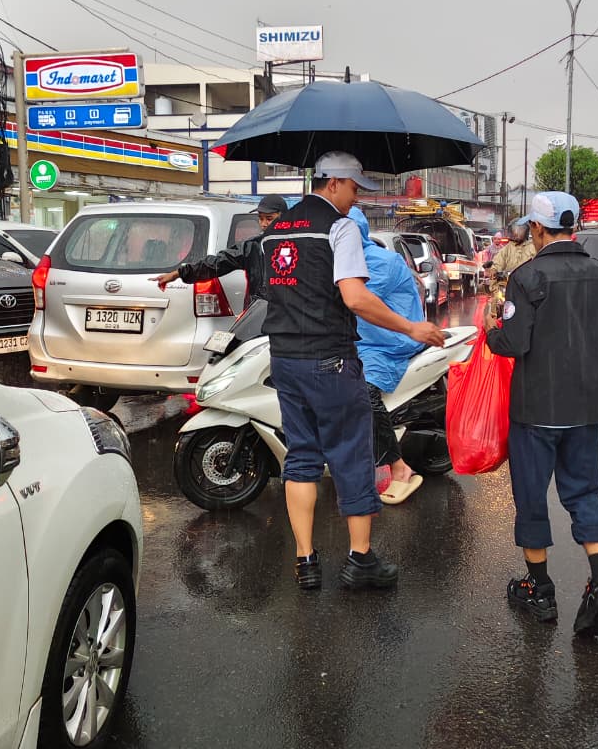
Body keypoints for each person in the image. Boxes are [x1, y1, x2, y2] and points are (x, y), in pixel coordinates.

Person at [261, 151, 444, 592]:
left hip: (284, 358)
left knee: (301, 457)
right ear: (333, 183)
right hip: (330, 359)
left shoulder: (274, 231)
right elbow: (356, 298)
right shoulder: (338, 229)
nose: (357, 197)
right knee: (351, 455)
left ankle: (305, 561)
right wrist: (411, 326)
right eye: (355, 187)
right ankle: (360, 560)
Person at [483, 191, 598, 637]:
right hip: (587, 409)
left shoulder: (526, 277)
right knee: (585, 492)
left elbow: (514, 343)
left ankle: (540, 589)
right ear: (575, 227)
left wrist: (493, 331)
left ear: (537, 229)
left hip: (537, 411)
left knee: (531, 497)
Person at [347, 206, 427, 505]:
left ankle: (397, 466)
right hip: (358, 343)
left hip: (388, 343)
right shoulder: (340, 263)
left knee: (363, 394)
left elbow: (353, 301)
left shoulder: (380, 262)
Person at [150, 194, 288, 301]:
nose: (263, 223)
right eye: (260, 218)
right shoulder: (252, 247)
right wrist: (178, 273)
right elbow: (215, 263)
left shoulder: (300, 245)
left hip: (290, 320)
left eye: (269, 218)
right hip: (259, 317)